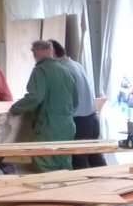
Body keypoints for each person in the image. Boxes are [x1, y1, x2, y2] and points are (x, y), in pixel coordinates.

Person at [9, 40, 77, 173]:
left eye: (34, 52)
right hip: (67, 125)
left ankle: (50, 194)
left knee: (46, 166)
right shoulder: (66, 71)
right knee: (64, 165)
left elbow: (35, 97)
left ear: (36, 52)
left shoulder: (41, 70)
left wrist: (15, 108)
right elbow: (75, 101)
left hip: (48, 127)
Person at [49, 39, 106, 169]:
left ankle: (85, 189)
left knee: (79, 160)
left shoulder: (63, 70)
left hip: (80, 121)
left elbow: (62, 99)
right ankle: (106, 185)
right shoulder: (75, 64)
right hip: (92, 118)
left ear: (52, 53)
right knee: (95, 157)